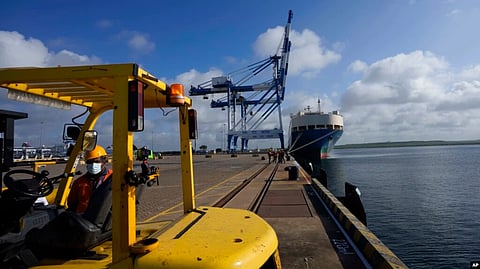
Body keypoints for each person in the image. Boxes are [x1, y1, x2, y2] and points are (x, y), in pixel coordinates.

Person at [67, 145, 112, 214]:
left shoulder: (113, 177)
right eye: (90, 162)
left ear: (104, 161)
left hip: (105, 218)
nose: (93, 164)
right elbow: (71, 203)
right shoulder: (79, 182)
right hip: (83, 219)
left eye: (96, 161)